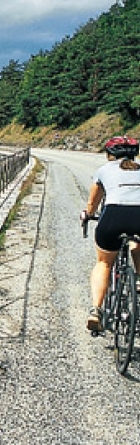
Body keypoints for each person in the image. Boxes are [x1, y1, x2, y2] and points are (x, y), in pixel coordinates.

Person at [80, 135, 140, 332]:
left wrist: (87, 215)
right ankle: (138, 280)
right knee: (136, 243)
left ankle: (96, 311)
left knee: (104, 263)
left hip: (114, 215)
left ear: (109, 155)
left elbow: (93, 203)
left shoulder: (104, 171)